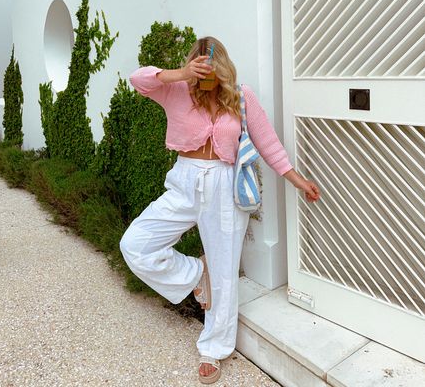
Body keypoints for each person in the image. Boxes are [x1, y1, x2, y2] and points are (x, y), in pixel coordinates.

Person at [120, 36, 320, 384]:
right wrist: (179, 73)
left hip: (224, 186)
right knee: (135, 244)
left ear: (222, 64)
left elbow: (267, 142)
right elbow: (138, 79)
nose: (204, 70)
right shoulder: (176, 89)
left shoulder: (240, 97)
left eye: (210, 63)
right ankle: (197, 275)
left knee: (225, 271)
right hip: (184, 181)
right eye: (198, 63)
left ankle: (213, 349)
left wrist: (296, 179)